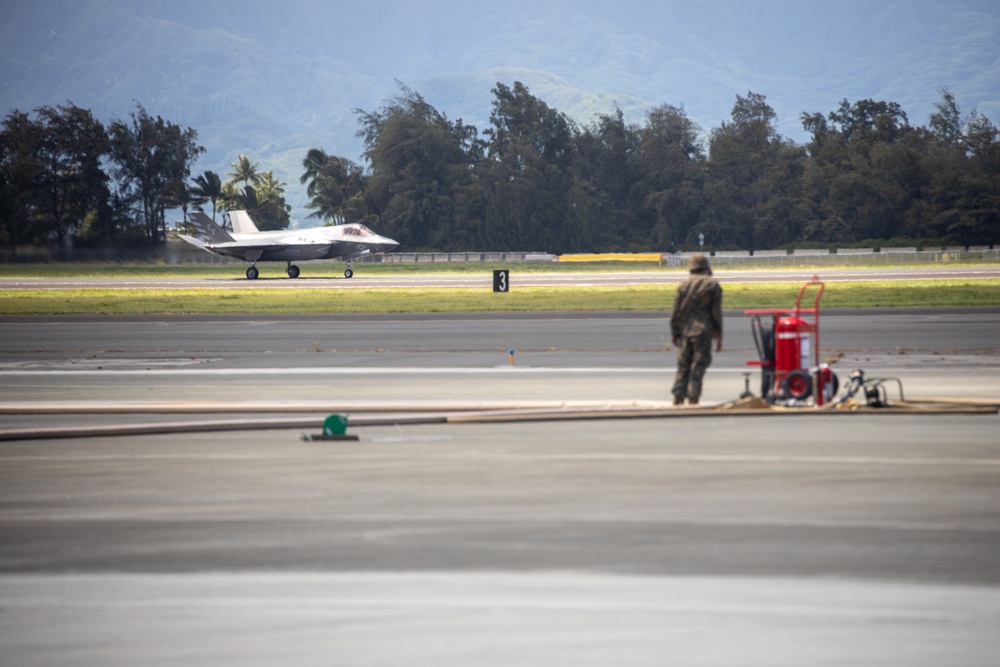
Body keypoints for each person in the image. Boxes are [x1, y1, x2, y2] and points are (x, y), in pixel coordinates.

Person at [670, 253, 723, 405]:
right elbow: (716, 313)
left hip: (685, 332)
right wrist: (719, 334)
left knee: (683, 365)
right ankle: (694, 396)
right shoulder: (712, 285)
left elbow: (676, 312)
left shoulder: (684, 286)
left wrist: (675, 332)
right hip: (703, 332)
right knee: (698, 365)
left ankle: (678, 397)